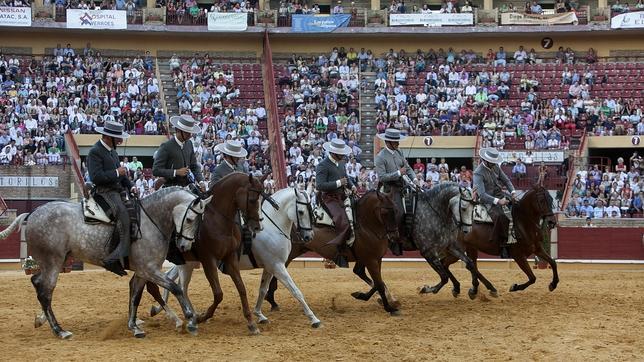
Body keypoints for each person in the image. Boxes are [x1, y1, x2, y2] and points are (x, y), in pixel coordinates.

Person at [87, 121, 137, 276]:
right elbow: (96, 177)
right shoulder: (95, 152)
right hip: (103, 192)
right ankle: (114, 257)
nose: (121, 141)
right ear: (108, 137)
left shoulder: (113, 151)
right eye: (118, 138)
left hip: (117, 191)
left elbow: (123, 175)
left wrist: (131, 186)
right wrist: (116, 173)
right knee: (123, 216)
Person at [374, 128, 416, 255]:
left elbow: (407, 168)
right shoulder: (380, 157)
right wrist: (398, 173)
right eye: (395, 141)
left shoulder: (399, 152)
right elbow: (382, 177)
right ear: (388, 142)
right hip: (389, 189)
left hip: (403, 186)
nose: (398, 144)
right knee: (398, 213)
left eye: (397, 141)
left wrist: (414, 179)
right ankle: (394, 240)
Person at [316, 139, 357, 268]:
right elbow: (320, 185)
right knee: (344, 223)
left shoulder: (341, 163)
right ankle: (337, 253)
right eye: (341, 153)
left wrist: (352, 186)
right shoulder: (323, 165)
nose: (344, 155)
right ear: (334, 153)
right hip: (329, 198)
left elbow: (346, 178)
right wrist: (339, 183)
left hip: (342, 196)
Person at [473, 147, 518, 259]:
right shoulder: (478, 173)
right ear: (485, 161)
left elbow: (506, 180)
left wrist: (512, 192)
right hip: (488, 200)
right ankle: (503, 245)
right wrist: (498, 201)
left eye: (494, 162)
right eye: (492, 162)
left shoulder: (496, 167)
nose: (494, 164)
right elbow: (482, 194)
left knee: (518, 207)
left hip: (500, 194)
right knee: (500, 216)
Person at [153, 115, 205, 190]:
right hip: (170, 187)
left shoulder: (189, 144)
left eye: (190, 133)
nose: (190, 136)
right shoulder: (166, 146)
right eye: (187, 133)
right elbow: (156, 170)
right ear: (178, 130)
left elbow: (194, 166)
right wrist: (176, 172)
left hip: (187, 185)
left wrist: (201, 181)